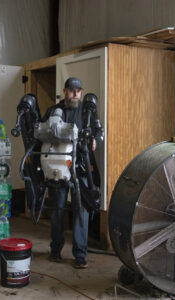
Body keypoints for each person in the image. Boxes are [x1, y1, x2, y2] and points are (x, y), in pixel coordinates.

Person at [42, 77, 103, 269]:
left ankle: (80, 255)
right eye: (71, 90)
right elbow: (42, 134)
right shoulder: (54, 111)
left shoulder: (88, 111)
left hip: (82, 167)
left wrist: (95, 141)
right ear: (65, 91)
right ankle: (55, 250)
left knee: (80, 211)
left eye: (78, 90)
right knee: (58, 210)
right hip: (58, 166)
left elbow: (99, 131)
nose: (75, 93)